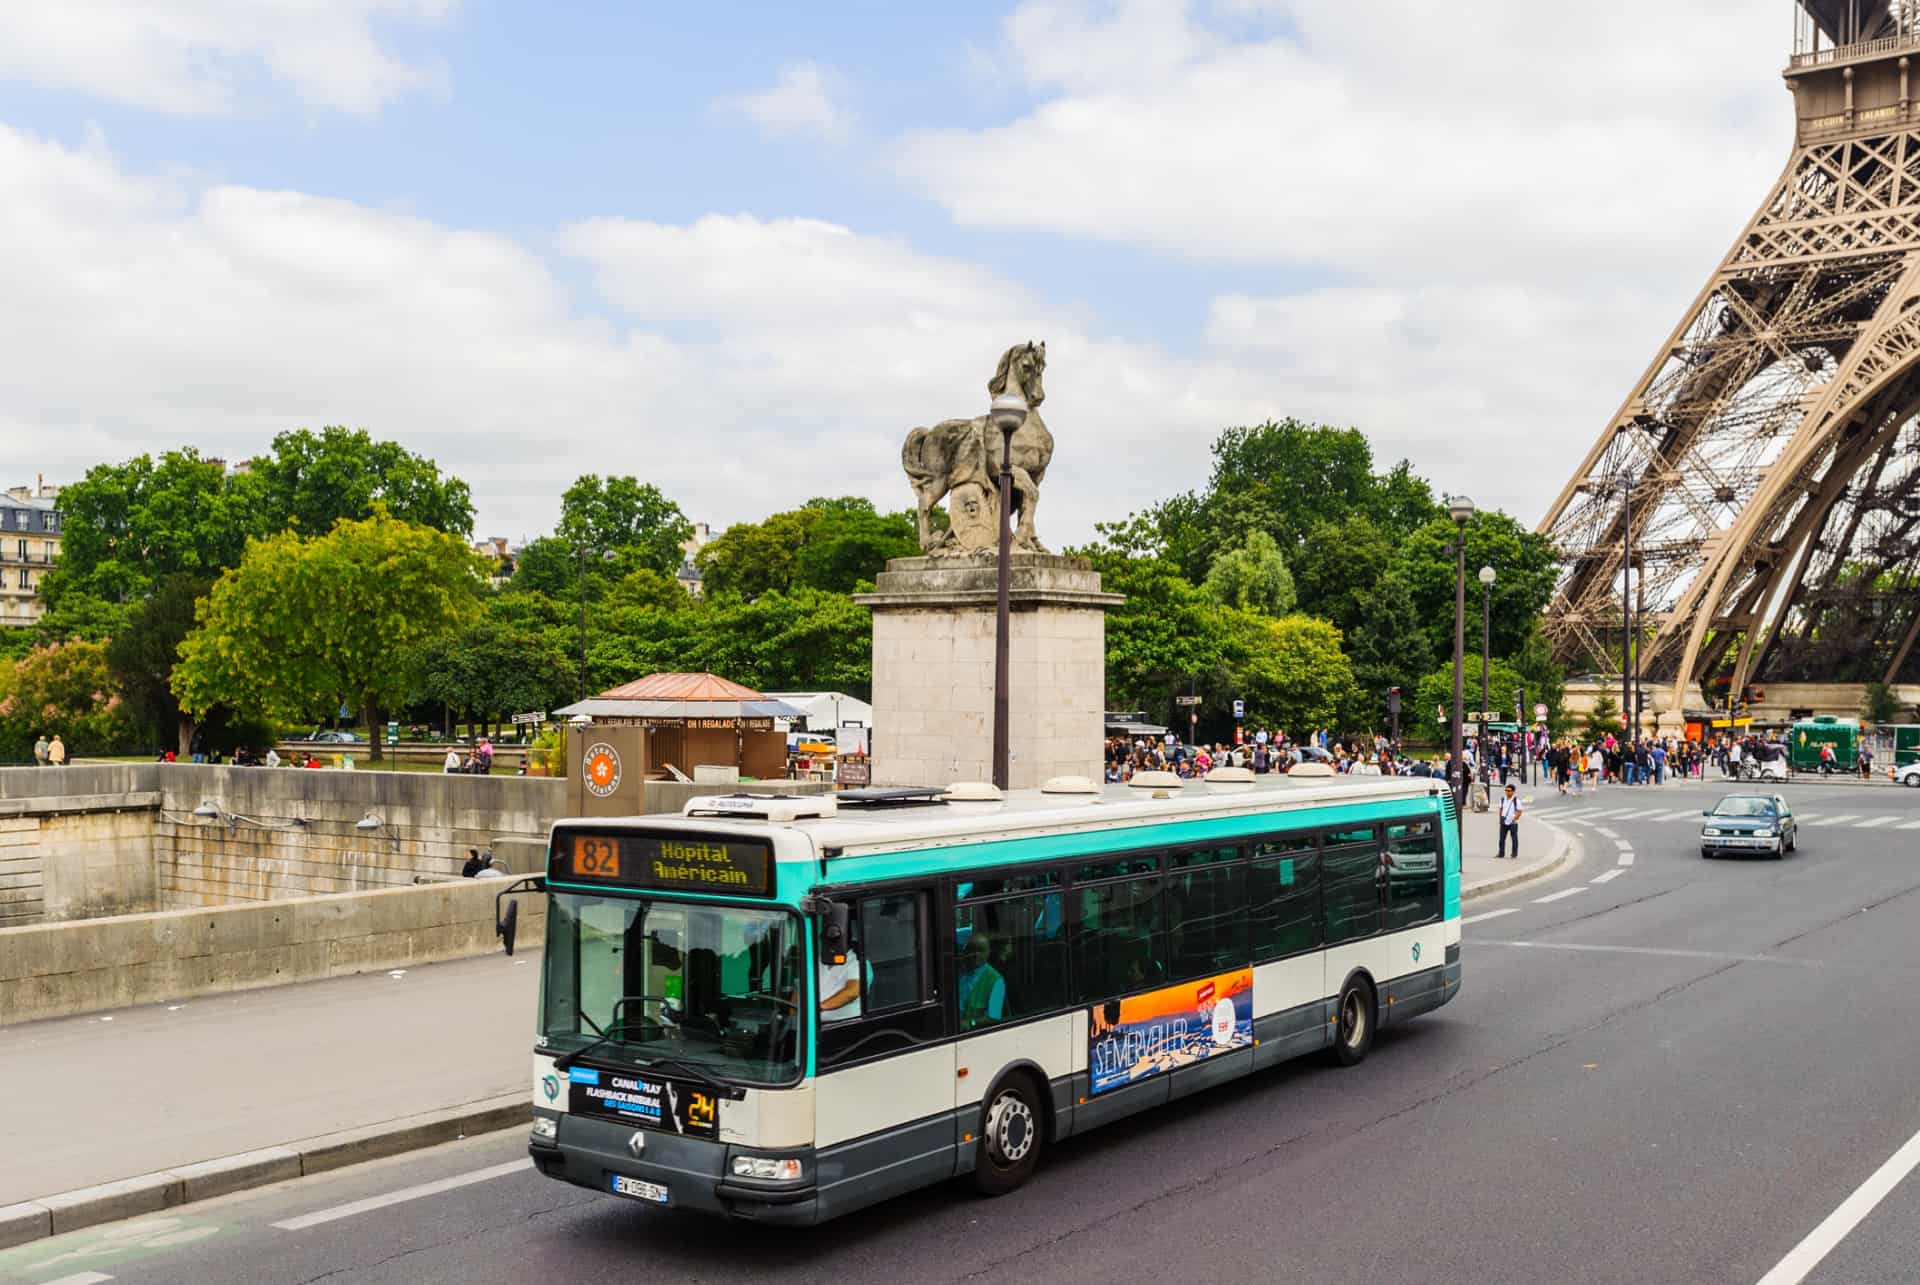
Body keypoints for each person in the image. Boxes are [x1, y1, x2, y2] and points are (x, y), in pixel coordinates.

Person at [958, 929, 1006, 1029]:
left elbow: (994, 1017)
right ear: (966, 951)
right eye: (972, 949)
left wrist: (971, 1023)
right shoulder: (958, 971)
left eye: (981, 950)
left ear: (988, 952)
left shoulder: (996, 980)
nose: (976, 954)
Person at [818, 944, 862, 1023]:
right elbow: (800, 988)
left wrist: (818, 1008)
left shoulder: (857, 962)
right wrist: (793, 1014)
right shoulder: (818, 960)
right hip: (810, 1024)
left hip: (843, 1024)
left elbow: (852, 992)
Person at [1498, 783, 1523, 859]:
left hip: (1513, 822)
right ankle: (1501, 853)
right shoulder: (1503, 799)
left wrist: (1515, 819)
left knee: (1514, 838)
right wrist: (1501, 817)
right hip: (1504, 821)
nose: (1507, 792)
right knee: (1501, 839)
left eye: (1509, 791)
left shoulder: (1516, 800)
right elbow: (1501, 809)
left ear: (1513, 792)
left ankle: (1514, 854)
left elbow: (1519, 811)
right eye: (1506, 790)